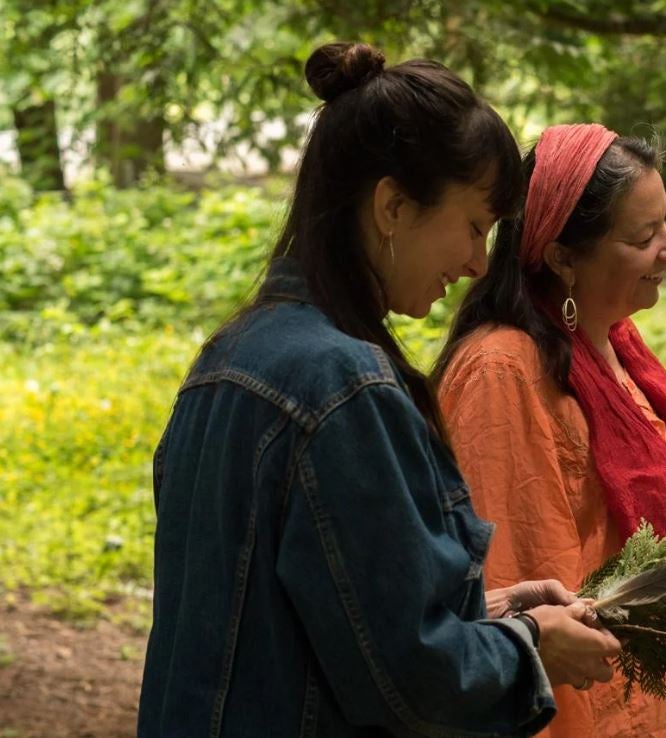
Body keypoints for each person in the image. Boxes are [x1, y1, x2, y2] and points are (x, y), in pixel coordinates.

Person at [137, 46, 620, 738]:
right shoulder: (343, 387)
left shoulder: (229, 356)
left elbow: (296, 626)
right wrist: (529, 645)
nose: (480, 261)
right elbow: (410, 679)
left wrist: (497, 611)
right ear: (393, 205)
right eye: (474, 226)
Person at [435, 124, 666, 738]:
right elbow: (512, 583)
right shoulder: (505, 372)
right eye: (644, 235)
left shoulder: (618, 351)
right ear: (564, 257)